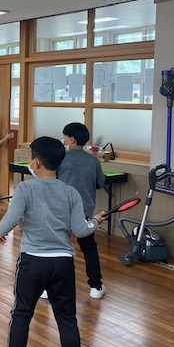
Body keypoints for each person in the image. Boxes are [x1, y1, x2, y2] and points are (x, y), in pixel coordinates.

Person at [0, 136, 107, 347]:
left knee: (22, 314)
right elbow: (80, 230)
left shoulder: (25, 188)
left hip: (32, 262)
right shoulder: (70, 192)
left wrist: (0, 232)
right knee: (67, 319)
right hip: (63, 263)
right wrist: (95, 221)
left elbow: (11, 219)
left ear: (35, 163)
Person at [58, 122, 107, 299]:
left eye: (65, 137)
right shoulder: (93, 161)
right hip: (84, 211)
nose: (63, 140)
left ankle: (49, 288)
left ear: (71, 139)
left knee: (57, 247)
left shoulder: (61, 158)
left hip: (60, 210)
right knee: (89, 247)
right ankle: (96, 286)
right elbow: (100, 183)